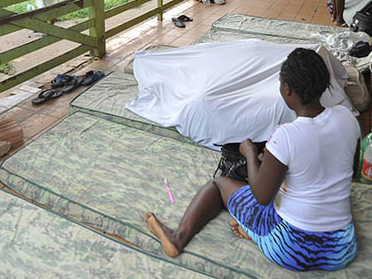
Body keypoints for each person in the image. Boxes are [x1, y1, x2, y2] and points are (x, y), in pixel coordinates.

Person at [146, 48, 360, 272]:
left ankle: (178, 238)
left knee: (219, 185)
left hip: (292, 249)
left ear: (286, 89)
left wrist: (249, 154)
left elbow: (262, 196)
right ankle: (255, 231)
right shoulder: (346, 117)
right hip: (341, 248)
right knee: (286, 188)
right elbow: (348, 173)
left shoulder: (286, 135)